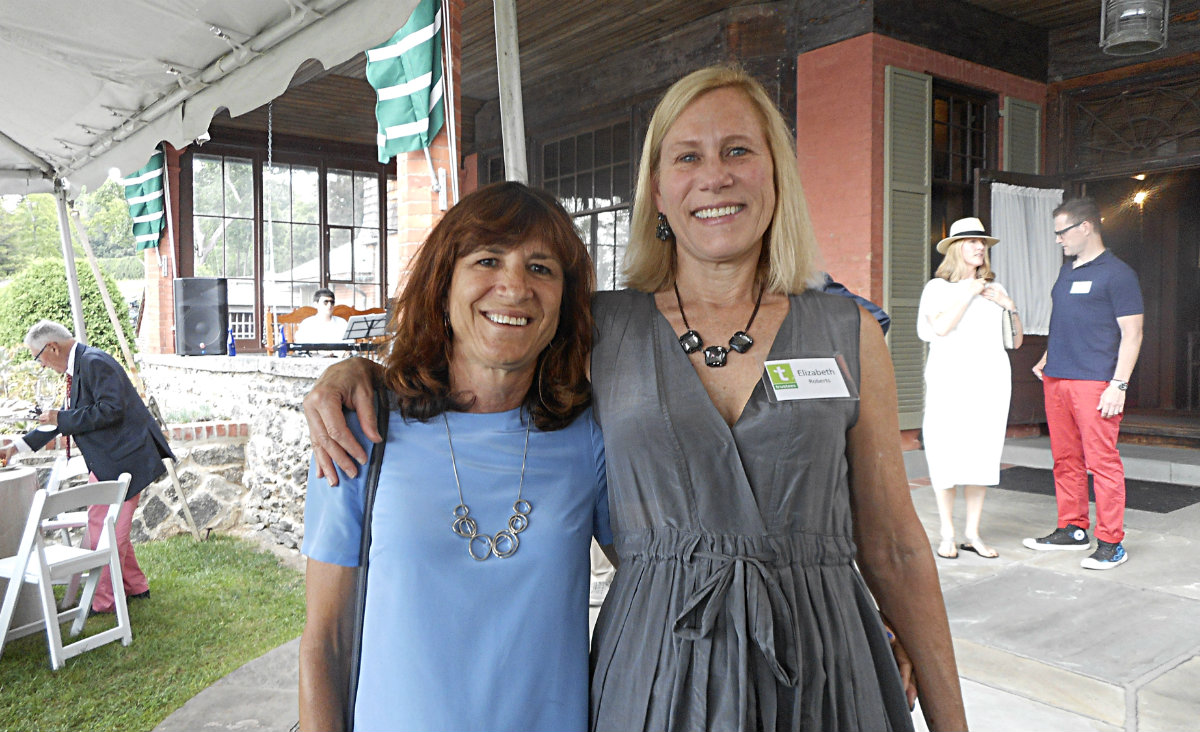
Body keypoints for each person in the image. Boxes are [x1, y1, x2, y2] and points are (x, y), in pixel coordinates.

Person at [303, 67, 968, 731]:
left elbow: (895, 544)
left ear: (776, 173)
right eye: (688, 156)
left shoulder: (848, 333)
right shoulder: (604, 329)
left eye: (738, 150)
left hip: (825, 662)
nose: (715, 176)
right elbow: (491, 354)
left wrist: (933, 691)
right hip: (660, 676)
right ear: (657, 190)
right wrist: (357, 369)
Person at [297, 182, 610, 732]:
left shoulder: (589, 437)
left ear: (566, 301)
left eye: (542, 268)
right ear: (444, 285)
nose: (514, 286)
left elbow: (665, 570)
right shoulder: (361, 428)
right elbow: (326, 639)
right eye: (487, 260)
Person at [1, 320, 172, 613]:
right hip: (109, 462)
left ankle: (102, 601)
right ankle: (135, 585)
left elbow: (110, 410)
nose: (40, 365)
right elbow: (66, 416)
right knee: (99, 527)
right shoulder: (80, 365)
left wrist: (60, 417)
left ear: (52, 347)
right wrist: (17, 446)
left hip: (127, 460)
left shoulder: (93, 362)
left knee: (110, 535)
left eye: (37, 357)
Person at [1025, 197, 1143, 570]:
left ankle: (1111, 542)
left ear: (1085, 227)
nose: (1058, 239)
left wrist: (1118, 385)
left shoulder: (1118, 273)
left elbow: (1133, 333)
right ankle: (1073, 528)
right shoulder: (1068, 271)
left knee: (1102, 463)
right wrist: (1048, 356)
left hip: (1095, 382)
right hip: (1058, 378)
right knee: (1065, 460)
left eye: (1062, 232)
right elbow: (1068, 320)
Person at [918, 218, 1022, 560]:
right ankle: (947, 533)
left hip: (989, 382)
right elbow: (943, 327)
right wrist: (969, 292)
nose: (980, 247)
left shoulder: (996, 288)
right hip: (950, 382)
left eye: (983, 242)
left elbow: (1016, 341)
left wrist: (1009, 306)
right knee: (945, 452)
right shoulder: (937, 289)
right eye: (972, 241)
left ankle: (972, 533)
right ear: (954, 249)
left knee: (981, 455)